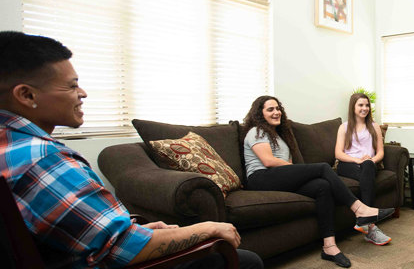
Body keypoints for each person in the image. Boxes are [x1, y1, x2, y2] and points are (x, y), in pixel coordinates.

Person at [0, 31, 263, 269]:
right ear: (26, 95)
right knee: (244, 260)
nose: (83, 93)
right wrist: (206, 228)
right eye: (71, 85)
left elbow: (82, 234)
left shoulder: (10, 147)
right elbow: (121, 249)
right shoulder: (44, 159)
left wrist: (136, 232)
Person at [242, 95, 394, 268]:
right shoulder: (256, 132)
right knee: (322, 168)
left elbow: (286, 167)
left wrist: (295, 171)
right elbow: (268, 161)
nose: (276, 112)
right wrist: (297, 170)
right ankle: (359, 209)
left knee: (323, 186)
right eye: (270, 109)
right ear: (259, 113)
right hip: (261, 177)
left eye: (278, 109)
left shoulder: (279, 135)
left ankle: (329, 247)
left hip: (279, 176)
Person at [334, 93, 391, 245]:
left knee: (367, 167)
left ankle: (366, 222)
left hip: (368, 165)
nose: (364, 108)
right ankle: (370, 224)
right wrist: (357, 160)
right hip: (347, 165)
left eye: (367, 105)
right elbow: (338, 153)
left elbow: (380, 152)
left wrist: (370, 161)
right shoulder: (344, 127)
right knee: (366, 172)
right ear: (353, 107)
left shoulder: (374, 126)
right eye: (361, 105)